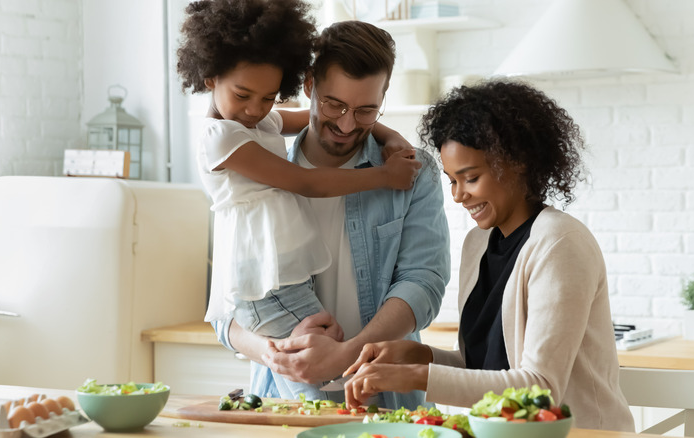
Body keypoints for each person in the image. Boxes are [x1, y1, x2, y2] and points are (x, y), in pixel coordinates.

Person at [341, 80, 636, 431]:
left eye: (471, 178)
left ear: (519, 163)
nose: (458, 195)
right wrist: (416, 356)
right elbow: (485, 367)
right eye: (452, 180)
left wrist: (418, 378)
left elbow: (539, 388)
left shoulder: (560, 244)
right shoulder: (478, 244)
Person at [176, 0, 422, 400]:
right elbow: (304, 183)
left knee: (324, 375)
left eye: (268, 98)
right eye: (243, 95)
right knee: (320, 388)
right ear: (209, 76)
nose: (255, 110)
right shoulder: (221, 137)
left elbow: (305, 116)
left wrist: (389, 136)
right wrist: (384, 177)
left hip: (286, 279)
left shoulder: (256, 120)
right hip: (266, 285)